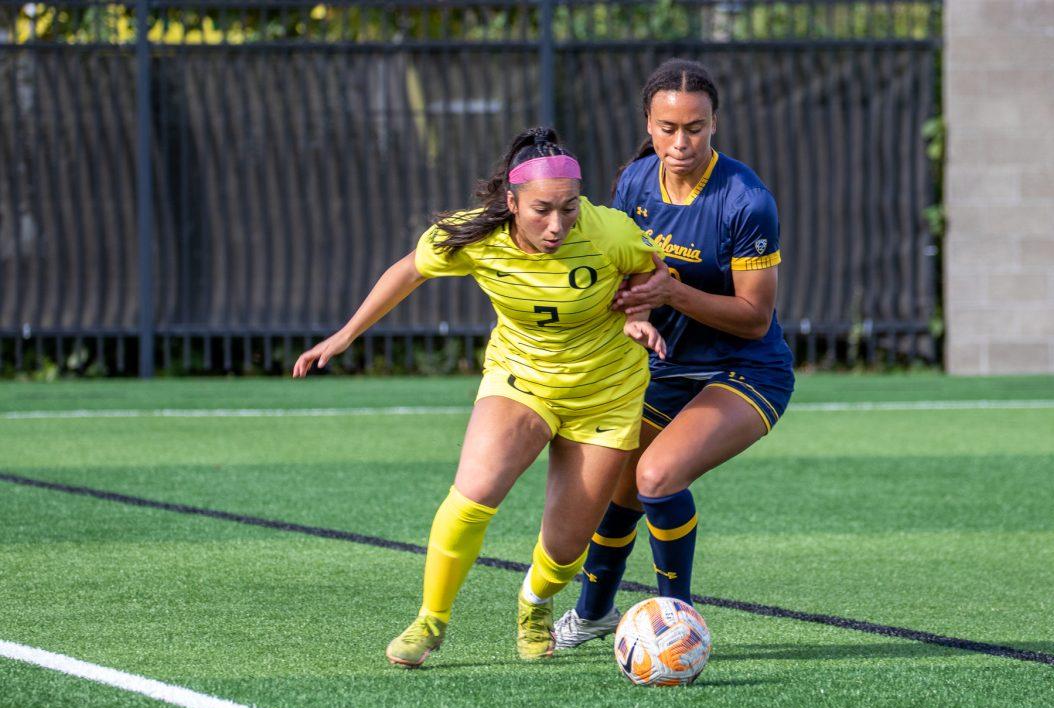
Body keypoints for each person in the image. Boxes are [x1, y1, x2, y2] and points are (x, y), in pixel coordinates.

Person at [293, 127, 665, 667]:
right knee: (474, 493)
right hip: (521, 378)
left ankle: (535, 602)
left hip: (606, 395)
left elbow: (651, 268)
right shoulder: (474, 236)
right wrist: (346, 334)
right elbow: (408, 272)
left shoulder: (608, 231)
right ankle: (430, 620)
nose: (557, 224)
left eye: (568, 209)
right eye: (541, 210)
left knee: (565, 548)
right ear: (511, 203)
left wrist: (640, 316)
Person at [553, 59, 795, 646]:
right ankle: (594, 614)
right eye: (667, 128)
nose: (680, 142)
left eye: (695, 127)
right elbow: (625, 273)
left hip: (747, 369)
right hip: (665, 366)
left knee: (656, 475)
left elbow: (754, 315)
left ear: (715, 124)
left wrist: (673, 293)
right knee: (619, 484)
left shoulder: (746, 200)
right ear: (649, 123)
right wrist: (636, 314)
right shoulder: (634, 182)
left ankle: (675, 624)